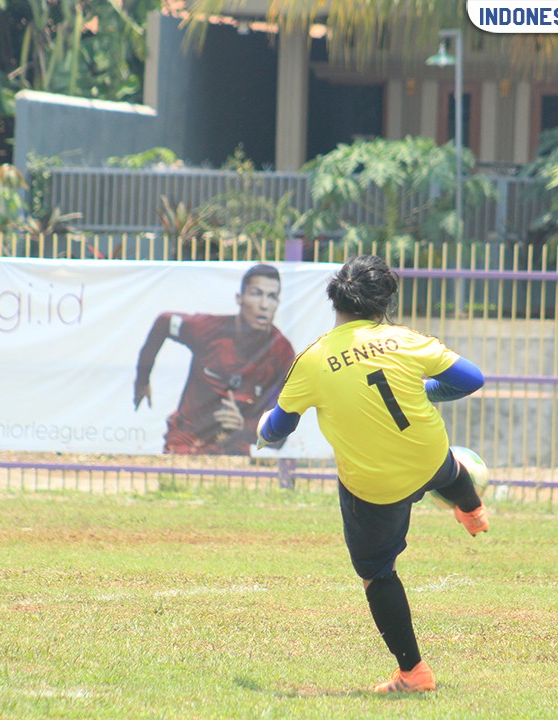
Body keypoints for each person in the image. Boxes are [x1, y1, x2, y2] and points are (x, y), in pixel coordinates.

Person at [256, 254, 488, 694]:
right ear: (385, 303)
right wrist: (428, 390)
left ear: (335, 300)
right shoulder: (405, 340)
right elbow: (471, 378)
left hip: (375, 488)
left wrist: (263, 429)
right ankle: (473, 509)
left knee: (378, 573)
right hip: (427, 455)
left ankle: (413, 673)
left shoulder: (314, 358)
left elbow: (280, 427)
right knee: (448, 467)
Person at [134, 263, 295, 455]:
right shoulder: (209, 329)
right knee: (176, 480)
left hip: (233, 443)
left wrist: (244, 427)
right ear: (239, 298)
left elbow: (279, 437)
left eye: (272, 297)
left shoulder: (282, 353)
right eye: (256, 293)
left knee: (232, 481)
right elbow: (164, 322)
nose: (264, 304)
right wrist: (142, 379)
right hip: (187, 437)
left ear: (277, 304)